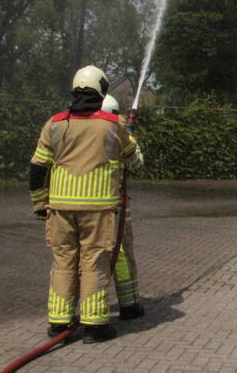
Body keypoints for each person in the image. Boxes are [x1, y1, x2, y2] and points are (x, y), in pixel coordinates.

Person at [29, 66, 141, 343]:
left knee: (63, 262)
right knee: (94, 264)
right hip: (98, 208)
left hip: (60, 207)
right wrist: (132, 136)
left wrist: (40, 203)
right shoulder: (112, 125)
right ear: (101, 89)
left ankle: (59, 323)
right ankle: (94, 326)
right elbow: (133, 160)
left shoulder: (54, 123)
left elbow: (37, 167)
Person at [101, 94, 145, 320]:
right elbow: (136, 163)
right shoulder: (118, 134)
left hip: (84, 208)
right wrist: (129, 136)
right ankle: (129, 304)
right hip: (115, 209)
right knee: (122, 255)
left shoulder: (80, 132)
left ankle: (86, 310)